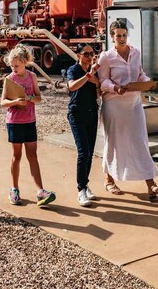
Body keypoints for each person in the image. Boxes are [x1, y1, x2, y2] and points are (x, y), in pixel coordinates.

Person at [97, 20, 158, 201]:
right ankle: (109, 180)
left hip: (134, 103)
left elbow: (139, 74)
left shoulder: (135, 53)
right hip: (114, 104)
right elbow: (102, 81)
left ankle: (151, 185)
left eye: (124, 35)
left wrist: (147, 82)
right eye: (118, 35)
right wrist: (116, 88)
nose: (121, 38)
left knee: (140, 141)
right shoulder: (106, 57)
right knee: (113, 142)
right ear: (112, 37)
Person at [0, 44, 56, 207]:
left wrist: (29, 98)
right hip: (14, 122)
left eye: (16, 65)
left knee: (33, 156)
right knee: (16, 156)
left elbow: (39, 97)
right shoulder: (10, 79)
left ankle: (40, 191)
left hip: (30, 120)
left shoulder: (31, 77)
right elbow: (3, 102)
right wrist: (15, 101)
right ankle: (14, 189)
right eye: (12, 66)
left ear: (25, 62)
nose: (14, 68)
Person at [65, 44, 101, 207]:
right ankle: (81, 189)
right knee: (83, 152)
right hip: (77, 114)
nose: (89, 57)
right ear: (78, 55)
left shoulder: (94, 72)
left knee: (90, 153)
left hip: (92, 113)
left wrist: (97, 82)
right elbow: (72, 86)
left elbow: (99, 92)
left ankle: (85, 186)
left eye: (92, 54)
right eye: (86, 54)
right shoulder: (73, 70)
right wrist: (89, 76)